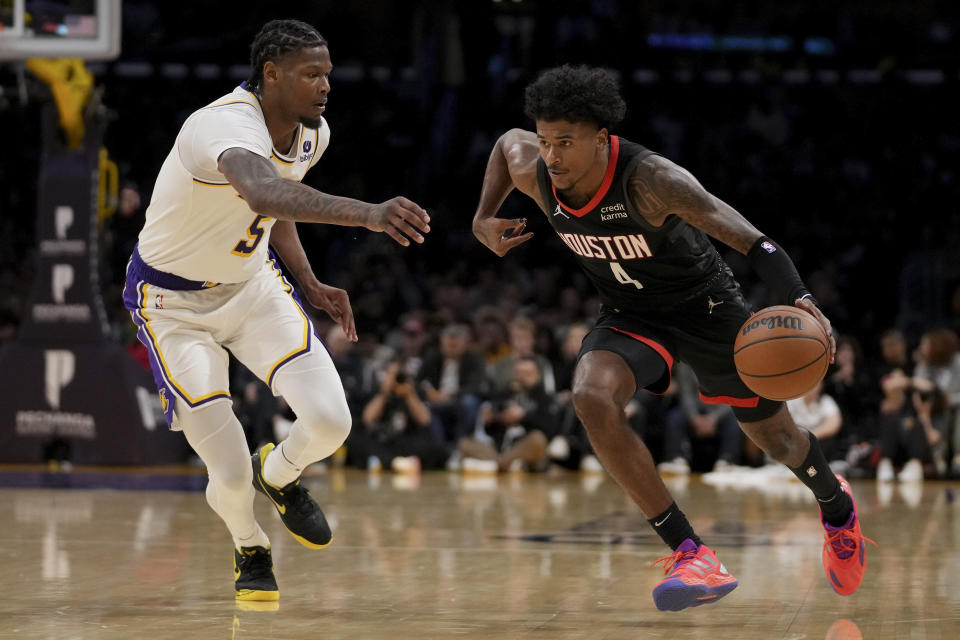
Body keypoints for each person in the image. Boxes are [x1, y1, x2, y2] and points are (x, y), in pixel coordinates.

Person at [470, 65, 872, 611]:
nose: (553, 155)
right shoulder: (533, 167)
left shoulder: (653, 180)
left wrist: (802, 299)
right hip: (632, 312)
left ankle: (835, 504)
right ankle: (691, 551)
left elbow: (757, 244)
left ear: (601, 139)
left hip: (707, 309)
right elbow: (503, 145)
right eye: (545, 140)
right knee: (590, 395)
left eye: (565, 142)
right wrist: (482, 217)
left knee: (777, 441)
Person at [121, 19, 430, 602]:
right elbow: (264, 191)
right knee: (228, 470)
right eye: (312, 74)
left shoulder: (314, 135)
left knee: (333, 422)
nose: (325, 85)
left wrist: (309, 280)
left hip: (253, 287)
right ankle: (250, 544)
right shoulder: (219, 125)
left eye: (328, 74)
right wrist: (368, 214)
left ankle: (281, 472)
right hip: (171, 305)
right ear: (271, 74)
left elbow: (276, 207)